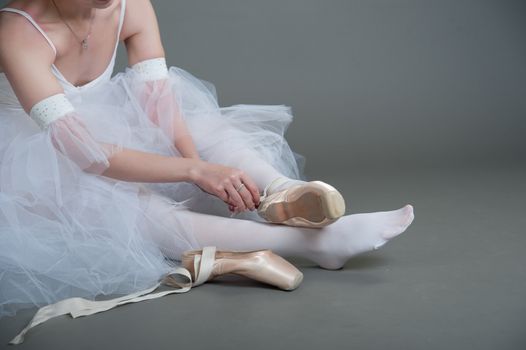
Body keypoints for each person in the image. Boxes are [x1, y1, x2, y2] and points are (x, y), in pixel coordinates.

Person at [0, 0, 415, 326]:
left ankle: (279, 189)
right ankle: (319, 244)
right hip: (34, 166)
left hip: (100, 136)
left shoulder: (130, 5)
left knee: (201, 124)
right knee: (130, 208)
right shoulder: (17, 31)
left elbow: (159, 104)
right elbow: (83, 152)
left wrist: (197, 166)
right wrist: (195, 172)